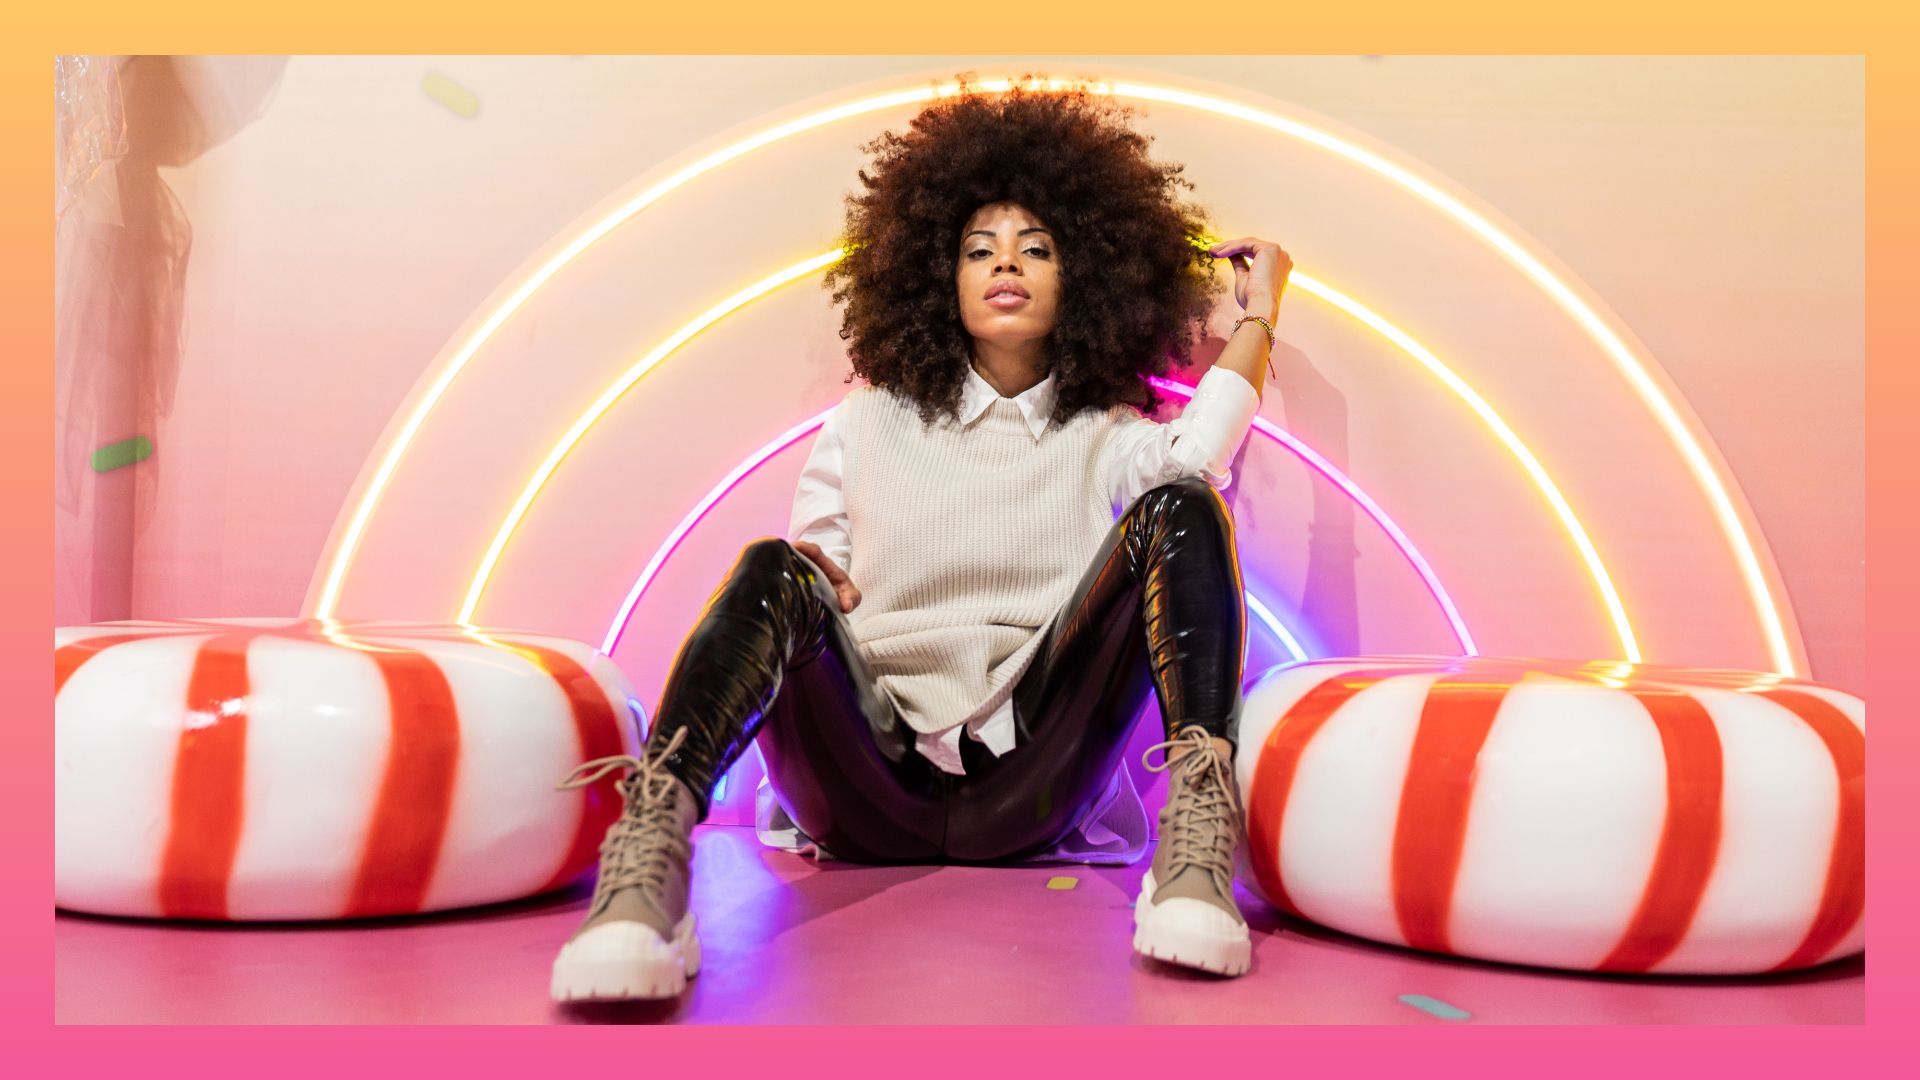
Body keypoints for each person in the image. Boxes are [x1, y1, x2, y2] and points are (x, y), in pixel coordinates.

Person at [547, 72, 1293, 1003]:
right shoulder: (860, 428)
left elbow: (1199, 458)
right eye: (979, 249)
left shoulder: (1107, 435)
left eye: (1038, 249)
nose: (1006, 264)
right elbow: (821, 575)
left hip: (1030, 780)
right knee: (775, 566)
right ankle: (653, 849)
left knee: (1182, 502)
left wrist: (1258, 316)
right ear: (940, 276)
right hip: (867, 776)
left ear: (1087, 277)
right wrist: (821, 586)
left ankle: (1195, 841)